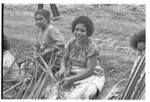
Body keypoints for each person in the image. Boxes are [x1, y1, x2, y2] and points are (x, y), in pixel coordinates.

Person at [55, 16, 105, 99]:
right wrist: (62, 69)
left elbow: (89, 70)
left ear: (88, 32)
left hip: (89, 74)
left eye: (82, 30)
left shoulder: (92, 47)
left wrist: (71, 79)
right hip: (72, 71)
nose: (78, 33)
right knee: (56, 92)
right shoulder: (71, 42)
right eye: (76, 29)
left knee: (85, 93)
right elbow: (64, 58)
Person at [34, 9, 64, 73]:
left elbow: (61, 44)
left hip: (54, 59)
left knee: (35, 70)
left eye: (41, 19)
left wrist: (46, 53)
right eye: (37, 19)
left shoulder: (51, 29)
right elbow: (42, 45)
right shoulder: (40, 29)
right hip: (45, 58)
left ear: (47, 19)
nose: (38, 21)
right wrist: (38, 50)